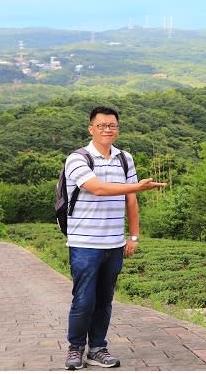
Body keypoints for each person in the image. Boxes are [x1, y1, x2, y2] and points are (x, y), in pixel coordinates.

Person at [63, 106, 167, 370]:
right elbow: (97, 189)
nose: (107, 130)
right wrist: (138, 186)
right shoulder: (78, 158)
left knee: (104, 300)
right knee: (84, 299)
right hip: (85, 243)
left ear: (117, 129)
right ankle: (75, 349)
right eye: (102, 126)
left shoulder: (124, 158)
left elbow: (130, 199)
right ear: (91, 129)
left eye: (112, 126)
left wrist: (133, 235)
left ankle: (97, 348)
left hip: (114, 242)